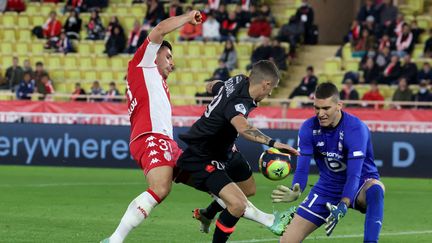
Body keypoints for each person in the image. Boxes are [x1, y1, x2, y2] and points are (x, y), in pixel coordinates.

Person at [101, 10, 203, 243]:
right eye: (168, 57)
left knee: (208, 177)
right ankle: (114, 240)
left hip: (164, 140)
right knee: (161, 188)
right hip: (150, 136)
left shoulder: (157, 82)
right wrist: (188, 18)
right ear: (154, 54)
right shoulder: (142, 64)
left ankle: (263, 218)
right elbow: (159, 30)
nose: (172, 63)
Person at [177, 60, 299, 243]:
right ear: (265, 84)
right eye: (271, 88)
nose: (270, 93)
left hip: (226, 149)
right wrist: (273, 143)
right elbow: (242, 127)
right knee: (237, 205)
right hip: (204, 154)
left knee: (248, 189)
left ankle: (207, 214)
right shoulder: (238, 102)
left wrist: (211, 88)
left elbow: (214, 86)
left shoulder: (239, 80)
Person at [271, 82, 385, 243]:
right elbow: (302, 168)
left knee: (376, 188)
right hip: (327, 188)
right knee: (286, 241)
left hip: (359, 184)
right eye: (317, 108)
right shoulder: (308, 128)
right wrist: (297, 189)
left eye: (326, 108)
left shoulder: (356, 129)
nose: (320, 113)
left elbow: (354, 174)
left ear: (339, 105)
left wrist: (344, 204)